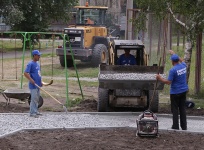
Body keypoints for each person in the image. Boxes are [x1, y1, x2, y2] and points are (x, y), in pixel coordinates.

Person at [156, 50, 188, 130]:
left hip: (175, 92)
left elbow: (168, 82)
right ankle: (184, 126)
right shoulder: (183, 66)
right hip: (184, 91)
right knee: (182, 108)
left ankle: (175, 126)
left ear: (172, 61)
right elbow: (183, 61)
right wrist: (175, 54)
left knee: (175, 109)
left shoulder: (173, 70)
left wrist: (160, 78)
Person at [24, 50, 43, 118]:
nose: (39, 57)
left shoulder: (37, 64)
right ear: (34, 55)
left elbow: (38, 73)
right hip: (33, 85)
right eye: (38, 55)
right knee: (34, 99)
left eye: (39, 55)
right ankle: (32, 113)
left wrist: (41, 81)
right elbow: (25, 73)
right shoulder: (30, 64)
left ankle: (36, 111)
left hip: (38, 84)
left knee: (37, 98)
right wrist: (31, 80)